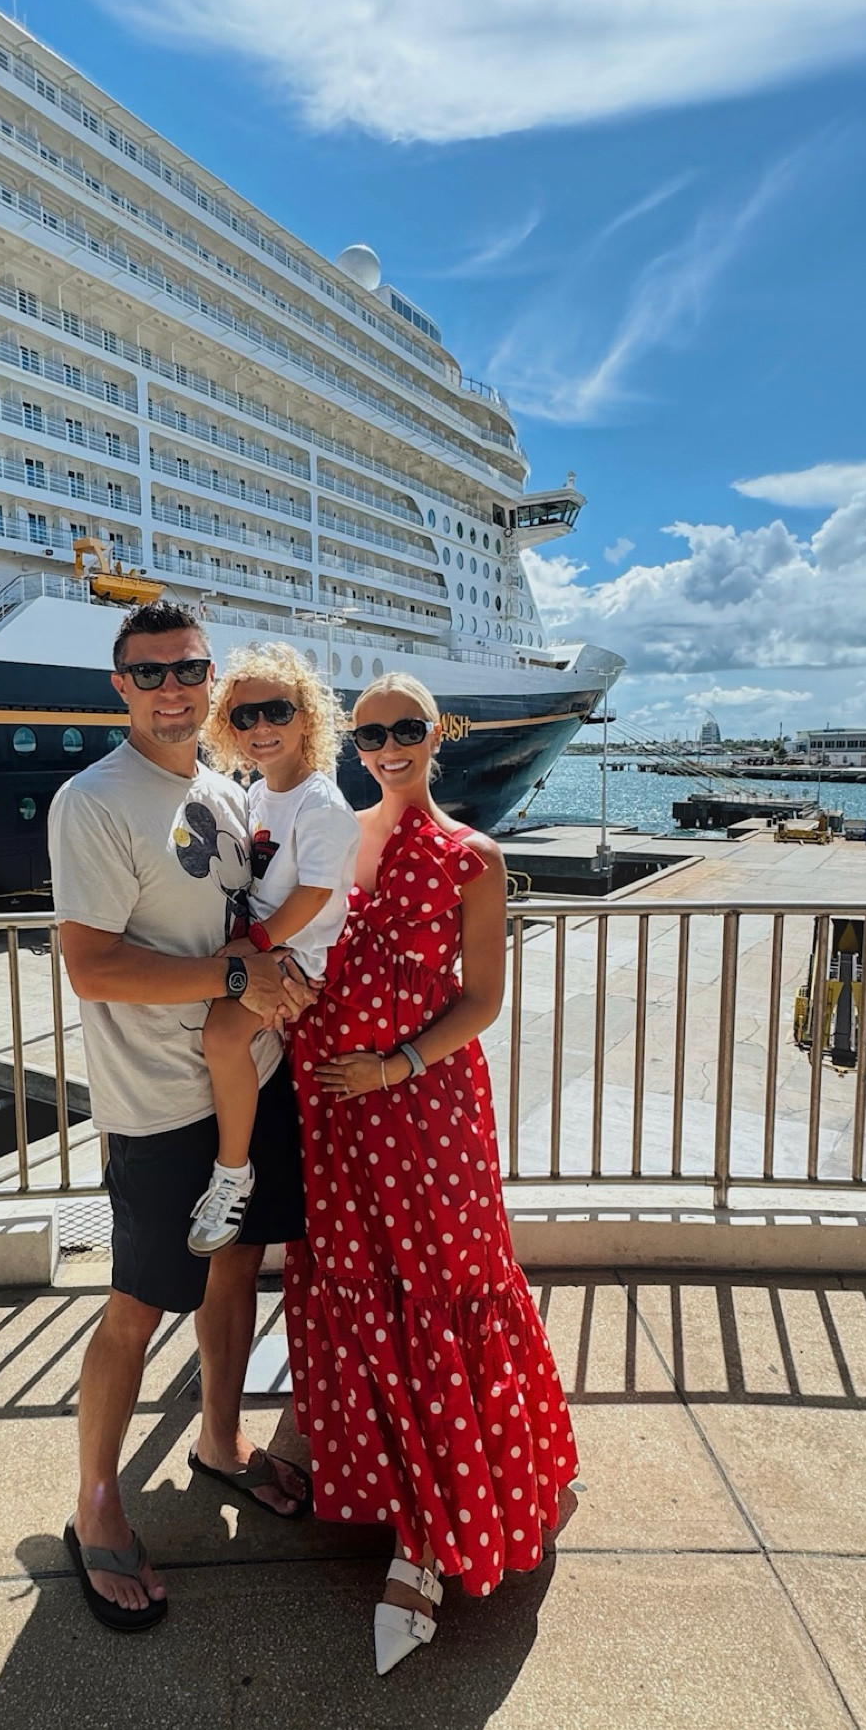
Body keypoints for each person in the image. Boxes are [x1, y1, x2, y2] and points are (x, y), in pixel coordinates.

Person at [282, 673, 580, 1675]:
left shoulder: (470, 856)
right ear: (354, 741)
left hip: (427, 1114)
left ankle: (434, 1535)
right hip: (337, 1122)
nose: (389, 745)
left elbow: (482, 1000)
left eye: (406, 728)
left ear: (436, 734)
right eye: (371, 731)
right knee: (363, 1293)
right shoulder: (333, 836)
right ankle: (406, 1492)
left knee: (447, 1291)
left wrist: (391, 1065)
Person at [49, 599, 315, 1633]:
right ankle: (96, 1499)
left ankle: (218, 1436)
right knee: (137, 1301)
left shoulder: (223, 787)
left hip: (249, 1074)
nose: (171, 687)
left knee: (239, 1264)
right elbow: (92, 963)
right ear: (119, 686)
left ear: (210, 680)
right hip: (159, 1101)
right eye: (148, 672)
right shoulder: (94, 800)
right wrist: (237, 970)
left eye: (187, 669)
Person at [187, 643, 360, 1257]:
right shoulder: (256, 797)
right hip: (266, 947)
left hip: (292, 956)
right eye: (244, 716)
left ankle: (234, 1174)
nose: (261, 727)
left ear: (307, 718)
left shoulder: (321, 802)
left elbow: (315, 894)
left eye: (277, 711)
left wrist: (255, 946)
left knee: (222, 1038)